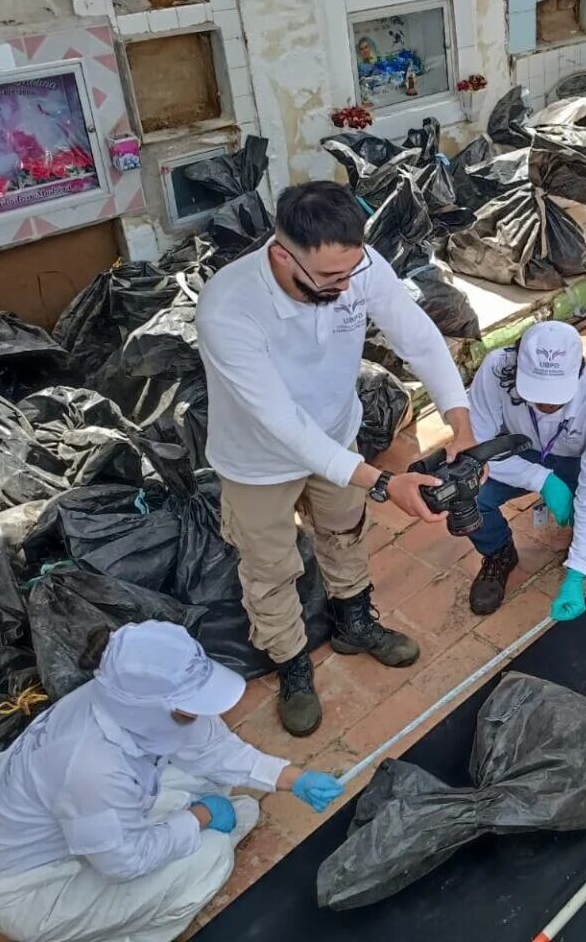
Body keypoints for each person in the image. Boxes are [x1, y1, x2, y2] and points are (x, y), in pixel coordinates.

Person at [196, 181, 478, 738]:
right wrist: (384, 481)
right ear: (282, 255)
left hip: (337, 434)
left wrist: (461, 423)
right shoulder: (228, 308)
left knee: (345, 532)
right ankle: (292, 662)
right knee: (270, 567)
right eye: (329, 279)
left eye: (353, 272)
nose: (347, 287)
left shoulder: (355, 266)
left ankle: (353, 621)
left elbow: (418, 337)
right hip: (257, 462)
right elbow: (281, 424)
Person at [0, 622, 345, 942]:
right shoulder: (92, 769)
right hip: (34, 887)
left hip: (64, 822)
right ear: (151, 708)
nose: (199, 711)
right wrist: (201, 817)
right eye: (190, 705)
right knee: (210, 858)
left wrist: (292, 778)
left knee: (209, 784)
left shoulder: (123, 704)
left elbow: (212, 748)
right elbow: (124, 862)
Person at [464, 321, 586, 622]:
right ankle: (499, 552)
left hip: (578, 459)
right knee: (465, 491)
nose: (545, 404)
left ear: (578, 373)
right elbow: (477, 447)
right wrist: (542, 480)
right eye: (537, 392)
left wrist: (576, 574)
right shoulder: (494, 371)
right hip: (516, 451)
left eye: (556, 395)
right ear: (517, 367)